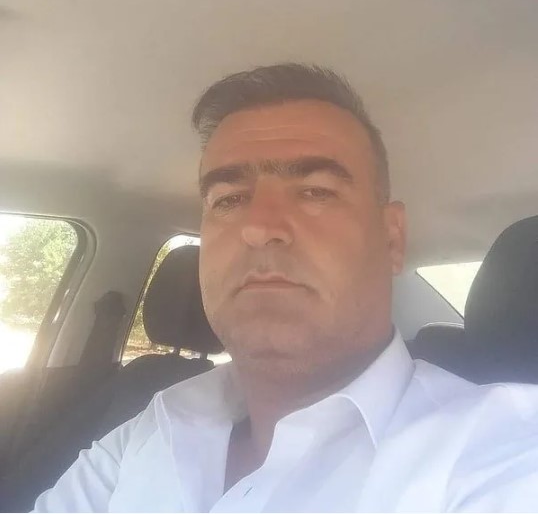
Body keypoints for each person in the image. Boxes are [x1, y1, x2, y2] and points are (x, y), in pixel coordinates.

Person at [34, 64, 538, 512]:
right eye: (229, 199)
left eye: (316, 191)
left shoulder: (500, 454)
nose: (259, 227)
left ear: (391, 238)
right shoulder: (152, 425)